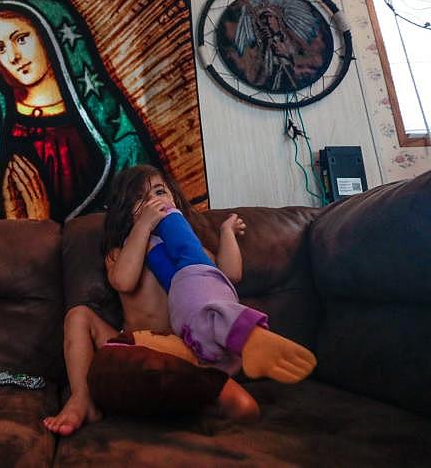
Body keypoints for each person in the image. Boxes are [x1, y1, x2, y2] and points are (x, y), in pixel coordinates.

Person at [43, 165, 315, 436]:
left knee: (244, 409)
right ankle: (81, 399)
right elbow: (124, 280)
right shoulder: (120, 250)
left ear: (174, 198)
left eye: (159, 191)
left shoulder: (191, 252)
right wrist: (145, 224)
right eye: (139, 198)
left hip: (184, 351)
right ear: (125, 211)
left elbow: (230, 274)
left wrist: (226, 234)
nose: (152, 201)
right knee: (78, 315)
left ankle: (189, 406)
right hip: (132, 346)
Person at [0, 0, 160, 222]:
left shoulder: (113, 133)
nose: (14, 57)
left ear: (49, 37)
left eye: (21, 39)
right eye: (0, 48)